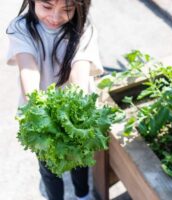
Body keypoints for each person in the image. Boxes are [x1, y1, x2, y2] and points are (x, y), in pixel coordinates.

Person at [6, 0, 103, 199]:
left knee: (80, 161)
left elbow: (79, 71)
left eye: (67, 10)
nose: (55, 17)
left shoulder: (83, 28)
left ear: (80, 7)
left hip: (74, 112)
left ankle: (83, 195)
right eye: (47, 7)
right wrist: (38, 108)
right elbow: (28, 69)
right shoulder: (21, 28)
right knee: (49, 168)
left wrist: (74, 114)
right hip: (42, 116)